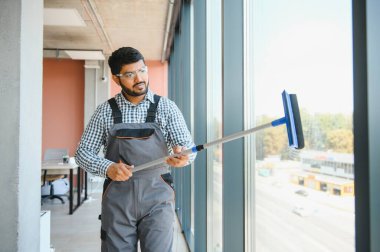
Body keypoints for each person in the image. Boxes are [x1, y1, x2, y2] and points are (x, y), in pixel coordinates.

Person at [75, 46, 196, 252]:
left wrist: (184, 156)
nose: (139, 78)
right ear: (116, 78)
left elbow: (188, 149)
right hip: (117, 201)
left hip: (158, 199)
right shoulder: (105, 112)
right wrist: (108, 167)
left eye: (142, 70)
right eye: (130, 74)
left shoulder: (166, 108)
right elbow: (82, 153)